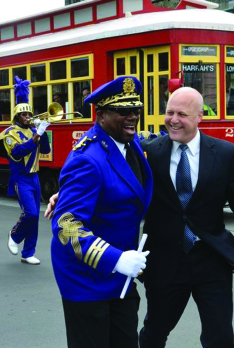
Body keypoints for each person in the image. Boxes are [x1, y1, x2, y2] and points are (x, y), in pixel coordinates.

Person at [138, 86, 234, 348]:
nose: (173, 119)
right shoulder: (150, 152)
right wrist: (65, 195)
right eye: (169, 112)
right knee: (154, 333)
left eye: (181, 114)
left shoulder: (225, 154)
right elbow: (119, 186)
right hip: (164, 261)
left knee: (219, 337)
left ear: (199, 117)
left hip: (211, 259)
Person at [47, 76, 153, 348]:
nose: (132, 117)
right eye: (123, 111)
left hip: (121, 276)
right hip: (88, 280)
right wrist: (116, 260)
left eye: (136, 110)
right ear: (102, 115)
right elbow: (66, 226)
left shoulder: (129, 142)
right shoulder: (87, 160)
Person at [0, 76, 50, 265]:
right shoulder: (10, 133)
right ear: (17, 117)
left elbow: (45, 151)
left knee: (35, 217)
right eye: (25, 115)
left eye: (30, 114)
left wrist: (43, 134)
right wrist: (36, 136)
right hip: (21, 178)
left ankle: (28, 252)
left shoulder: (33, 130)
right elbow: (18, 152)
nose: (29, 117)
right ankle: (14, 234)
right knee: (31, 213)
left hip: (35, 176)